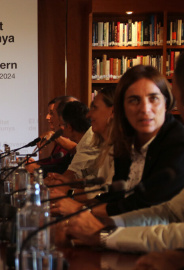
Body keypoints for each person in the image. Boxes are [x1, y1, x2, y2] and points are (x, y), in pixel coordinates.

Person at [65, 58, 184, 258]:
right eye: (134, 100)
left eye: (153, 98)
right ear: (122, 109)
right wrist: (100, 222)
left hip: (160, 250)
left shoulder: (178, 143)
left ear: (168, 102)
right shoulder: (126, 140)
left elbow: (150, 205)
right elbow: (165, 211)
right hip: (139, 245)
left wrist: (101, 230)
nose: (144, 109)